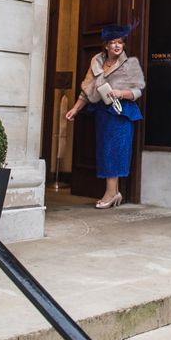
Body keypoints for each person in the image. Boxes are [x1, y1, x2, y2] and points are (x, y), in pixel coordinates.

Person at [65, 23, 145, 209]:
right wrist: (75, 109)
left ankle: (111, 192)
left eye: (120, 42)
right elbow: (87, 89)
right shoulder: (96, 62)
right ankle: (114, 192)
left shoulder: (130, 63)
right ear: (106, 45)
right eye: (113, 42)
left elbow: (138, 90)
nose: (117, 45)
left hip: (122, 113)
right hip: (103, 113)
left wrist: (120, 93)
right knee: (105, 151)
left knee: (115, 151)